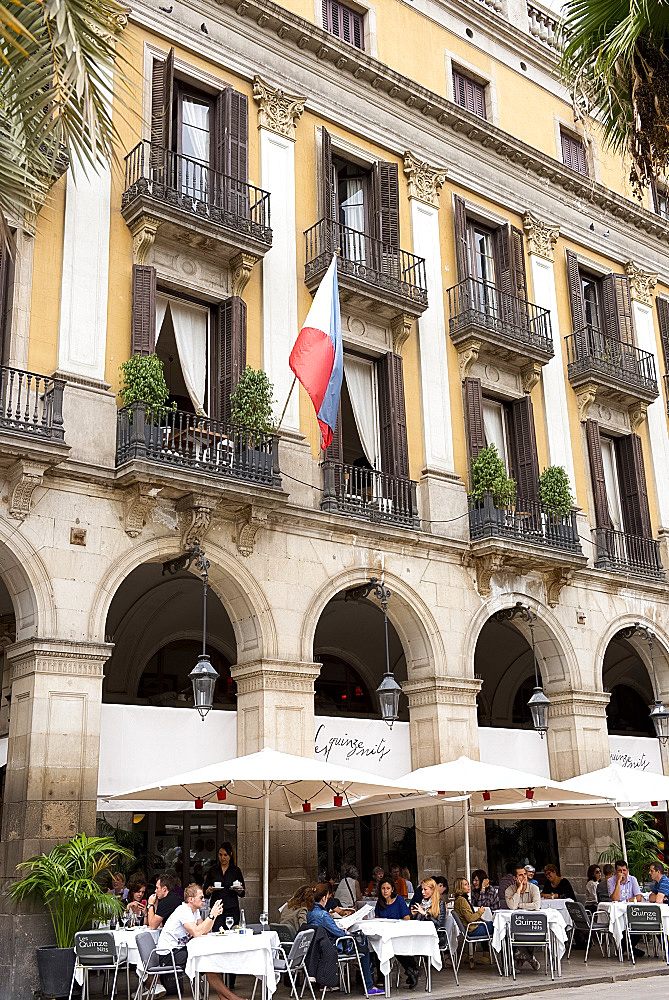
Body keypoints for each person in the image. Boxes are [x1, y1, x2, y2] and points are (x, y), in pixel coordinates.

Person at [157, 883, 242, 1000]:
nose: (204, 900)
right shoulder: (184, 911)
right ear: (191, 899)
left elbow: (204, 930)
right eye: (201, 897)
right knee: (205, 960)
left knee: (209, 960)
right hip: (168, 954)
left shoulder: (194, 911)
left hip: (179, 950)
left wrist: (214, 916)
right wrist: (211, 916)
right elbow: (197, 933)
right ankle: (232, 998)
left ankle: (225, 997)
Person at [307, 882, 384, 995]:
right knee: (364, 949)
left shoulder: (310, 913)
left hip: (319, 948)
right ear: (324, 897)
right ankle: (369, 985)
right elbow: (340, 933)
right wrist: (346, 930)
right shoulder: (323, 915)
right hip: (333, 947)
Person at [376, 877, 418, 988]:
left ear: (392, 889)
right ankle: (410, 970)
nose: (385, 891)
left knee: (395, 946)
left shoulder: (399, 900)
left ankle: (412, 969)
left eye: (388, 888)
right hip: (385, 934)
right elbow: (377, 919)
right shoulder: (380, 902)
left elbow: (407, 917)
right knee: (377, 947)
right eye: (383, 888)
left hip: (399, 933)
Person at [203, 842, 246, 932]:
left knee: (232, 933)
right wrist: (209, 891)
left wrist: (239, 890)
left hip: (231, 907)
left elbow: (242, 893)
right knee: (216, 934)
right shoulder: (213, 870)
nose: (223, 858)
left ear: (230, 855)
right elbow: (205, 893)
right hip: (217, 908)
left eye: (225, 855)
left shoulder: (235, 870)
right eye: (220, 855)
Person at [505, 865, 541, 971]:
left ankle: (523, 956)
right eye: (521, 875)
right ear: (515, 878)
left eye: (525, 874)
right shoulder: (509, 890)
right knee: (511, 934)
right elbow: (512, 906)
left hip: (532, 925)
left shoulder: (534, 888)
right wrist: (518, 890)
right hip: (516, 925)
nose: (524, 877)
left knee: (529, 932)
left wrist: (519, 905)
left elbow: (536, 905)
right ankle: (530, 958)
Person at [452, 876, 493, 956]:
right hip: (473, 929)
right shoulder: (462, 900)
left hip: (472, 928)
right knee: (499, 927)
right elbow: (470, 918)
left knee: (493, 925)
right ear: (460, 887)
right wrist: (479, 912)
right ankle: (502, 958)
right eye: (465, 885)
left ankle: (486, 955)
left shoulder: (460, 899)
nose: (469, 886)